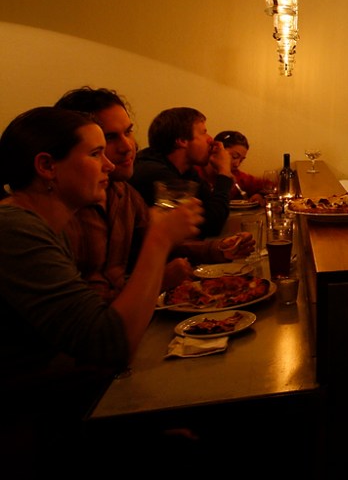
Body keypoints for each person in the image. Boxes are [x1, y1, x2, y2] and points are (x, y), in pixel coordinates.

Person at [0, 107, 202, 472]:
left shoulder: (46, 226)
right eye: (95, 154)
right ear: (47, 166)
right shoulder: (14, 229)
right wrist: (158, 240)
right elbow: (108, 343)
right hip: (23, 426)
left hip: (56, 399)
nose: (109, 165)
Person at [55, 88, 253, 300]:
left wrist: (218, 249)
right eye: (110, 137)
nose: (128, 146)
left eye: (128, 132)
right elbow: (89, 315)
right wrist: (158, 280)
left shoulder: (123, 192)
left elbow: (163, 241)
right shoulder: (61, 213)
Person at [130, 107, 233, 238]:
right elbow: (209, 226)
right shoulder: (155, 173)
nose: (210, 139)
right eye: (203, 133)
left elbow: (210, 208)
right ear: (182, 141)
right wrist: (224, 171)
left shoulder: (186, 170)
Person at [198, 130, 274, 201]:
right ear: (216, 149)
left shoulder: (236, 175)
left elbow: (269, 186)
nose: (237, 164)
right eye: (234, 156)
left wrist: (260, 194)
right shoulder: (194, 174)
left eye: (241, 160)